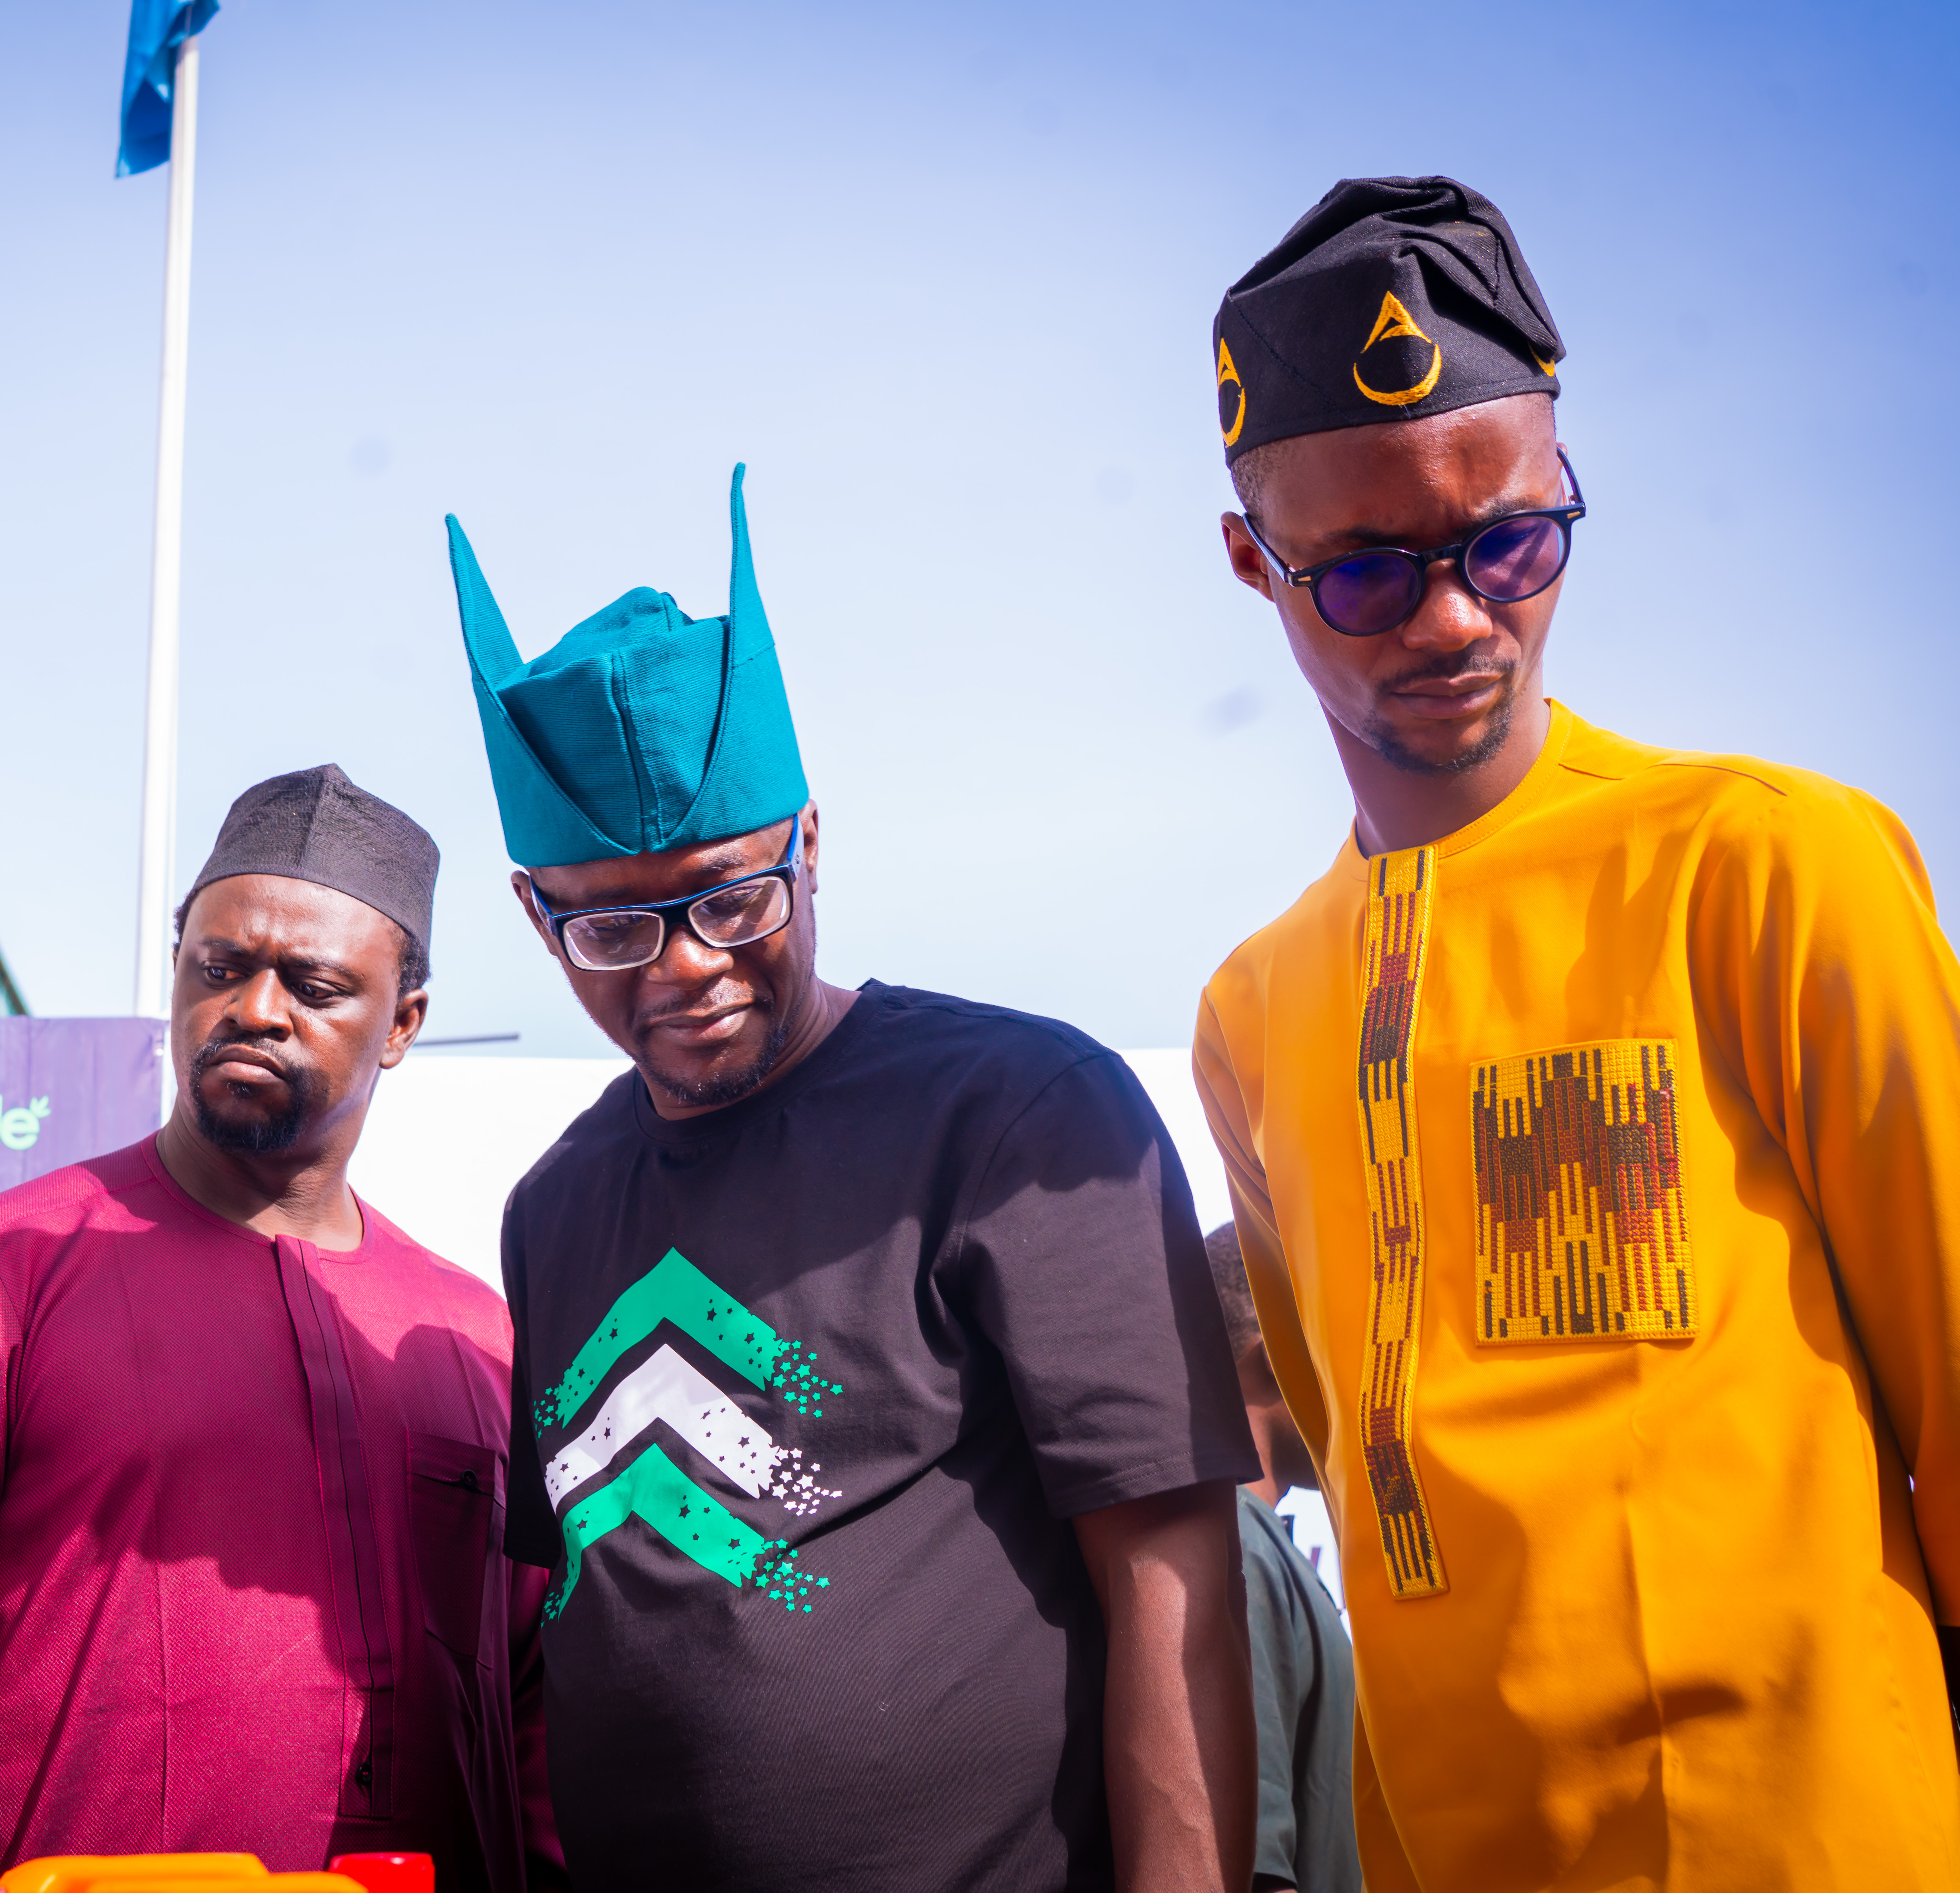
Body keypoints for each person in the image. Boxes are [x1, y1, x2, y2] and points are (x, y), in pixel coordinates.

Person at [1192, 175, 1960, 1890]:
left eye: (1512, 544)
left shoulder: (1766, 868)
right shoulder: (1255, 1012)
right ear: (1255, 562)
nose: (1460, 619)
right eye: (1369, 574)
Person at [449, 468, 1260, 1893]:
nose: (687, 965)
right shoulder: (552, 1207)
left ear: (808, 841)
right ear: (534, 912)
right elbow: (576, 1626)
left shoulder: (1020, 1117)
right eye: (613, 930)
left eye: (730, 895)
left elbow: (1170, 1581)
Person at [0, 766, 562, 1890]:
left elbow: (534, 1710)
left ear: (401, 1023)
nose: (255, 1010)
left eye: (313, 984)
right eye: (221, 968)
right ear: (176, 972)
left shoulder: (474, 1340)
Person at [1205, 1223, 1359, 1893]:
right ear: (1275, 1358)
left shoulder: (1253, 1542)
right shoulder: (1237, 1550)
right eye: (1337, 1346)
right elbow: (1255, 1867)